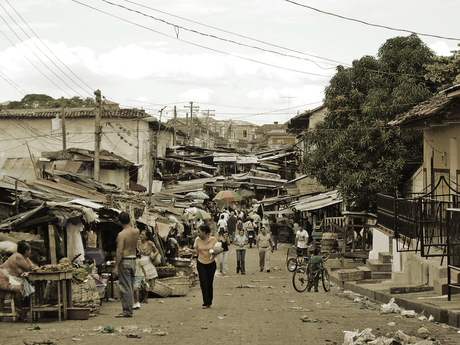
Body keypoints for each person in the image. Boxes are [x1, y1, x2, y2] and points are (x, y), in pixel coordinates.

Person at [113, 211, 139, 318]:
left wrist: (115, 266)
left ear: (119, 222)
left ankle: (127, 311)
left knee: (125, 287)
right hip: (133, 260)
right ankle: (129, 309)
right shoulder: (136, 231)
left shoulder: (122, 234)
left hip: (125, 261)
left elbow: (119, 251)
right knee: (130, 286)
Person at [1, 240, 36, 320]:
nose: (30, 252)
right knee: (19, 290)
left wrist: (32, 266)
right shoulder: (18, 256)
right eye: (30, 250)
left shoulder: (24, 257)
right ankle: (20, 311)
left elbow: (32, 266)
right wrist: (31, 267)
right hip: (3, 279)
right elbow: (28, 268)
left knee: (27, 288)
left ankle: (25, 310)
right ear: (26, 251)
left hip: (11, 279)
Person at [195, 225, 218, 308]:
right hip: (201, 262)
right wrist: (190, 251)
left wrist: (214, 252)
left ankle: (209, 300)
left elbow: (219, 249)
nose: (198, 233)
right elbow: (197, 251)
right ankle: (206, 302)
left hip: (211, 263)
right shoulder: (197, 240)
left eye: (199, 232)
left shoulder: (213, 240)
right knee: (203, 282)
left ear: (204, 232)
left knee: (209, 282)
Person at [136, 229, 159, 308]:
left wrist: (153, 255)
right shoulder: (137, 243)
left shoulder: (150, 244)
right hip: (139, 263)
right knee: (140, 281)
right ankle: (140, 297)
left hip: (148, 263)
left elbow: (157, 251)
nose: (141, 236)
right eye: (140, 234)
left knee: (148, 281)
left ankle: (145, 298)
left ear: (146, 237)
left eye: (142, 235)